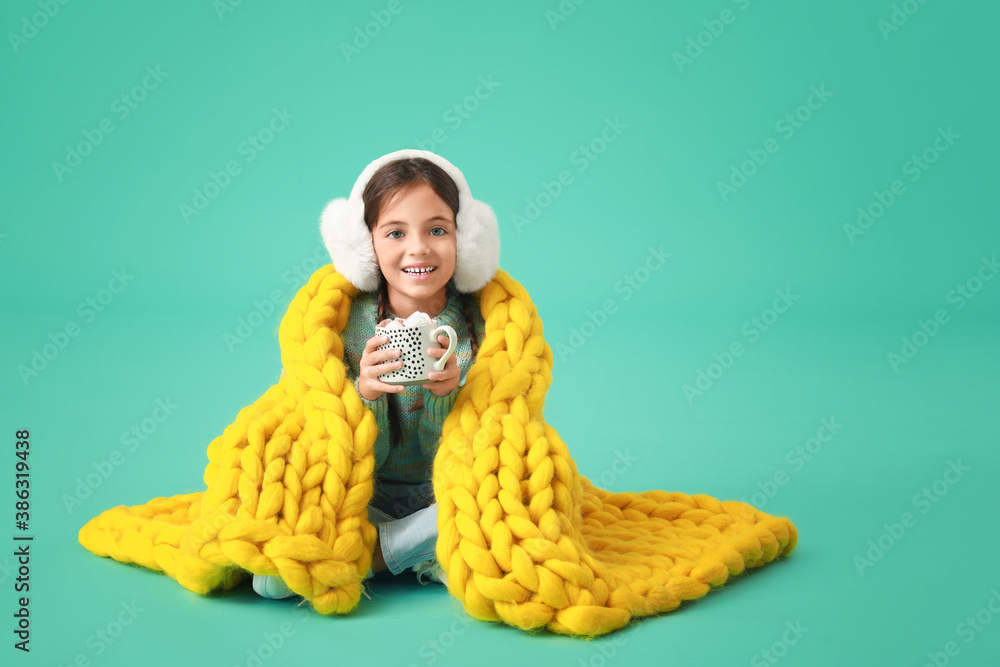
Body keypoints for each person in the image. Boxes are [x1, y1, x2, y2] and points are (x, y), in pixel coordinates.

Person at [253, 149, 497, 599]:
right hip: (368, 493)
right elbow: (348, 452)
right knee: (269, 579)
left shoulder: (484, 329)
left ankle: (375, 558)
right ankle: (420, 552)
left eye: (438, 229)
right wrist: (363, 394)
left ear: (466, 239)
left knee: (492, 504)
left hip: (443, 494)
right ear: (366, 246)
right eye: (395, 232)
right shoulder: (344, 325)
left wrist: (447, 395)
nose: (419, 248)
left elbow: (474, 454)